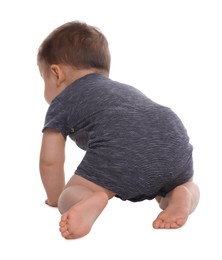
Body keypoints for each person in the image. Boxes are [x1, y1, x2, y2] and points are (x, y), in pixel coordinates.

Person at [37, 21, 200, 239]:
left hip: (123, 144)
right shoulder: (121, 90)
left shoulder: (63, 101)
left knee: (70, 196)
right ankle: (182, 195)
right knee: (184, 184)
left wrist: (56, 198)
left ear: (56, 74)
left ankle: (89, 200)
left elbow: (50, 161)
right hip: (172, 134)